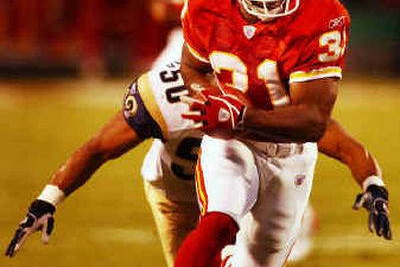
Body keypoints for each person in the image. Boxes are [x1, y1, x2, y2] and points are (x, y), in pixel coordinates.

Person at [4, 60, 391, 266]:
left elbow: (341, 143)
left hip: (245, 185)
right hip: (175, 192)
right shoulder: (166, 95)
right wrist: (47, 199)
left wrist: (372, 183)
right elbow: (99, 148)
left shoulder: (264, 94)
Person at [175, 0, 391, 267]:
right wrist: (209, 99)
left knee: (255, 263)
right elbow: (193, 68)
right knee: (218, 223)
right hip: (232, 141)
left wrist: (372, 182)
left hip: (290, 154)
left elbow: (313, 123)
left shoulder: (322, 16)